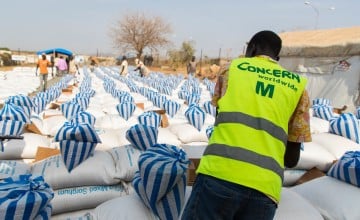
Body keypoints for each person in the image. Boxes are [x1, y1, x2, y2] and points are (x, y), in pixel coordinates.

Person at [182, 30, 312, 220]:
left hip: (220, 175)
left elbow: (222, 118)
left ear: (251, 48)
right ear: (278, 57)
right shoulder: (298, 87)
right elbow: (291, 159)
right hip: (265, 189)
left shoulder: (232, 69)